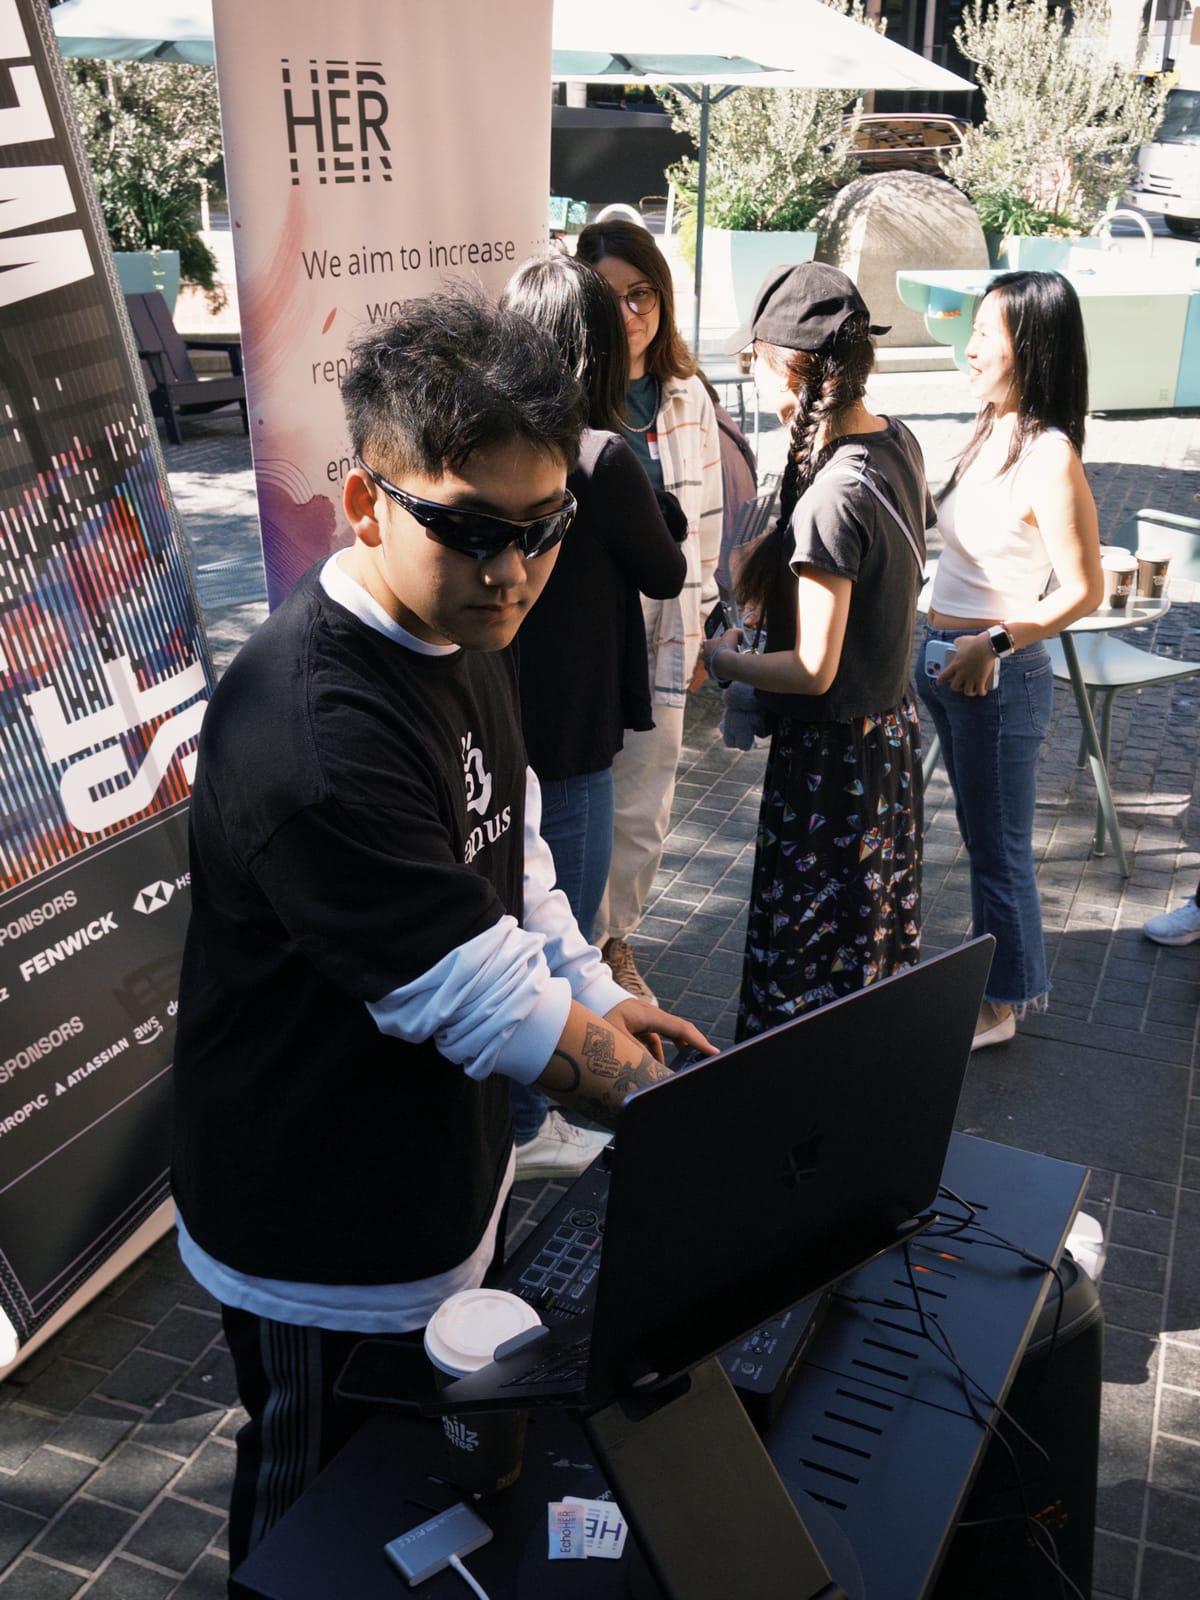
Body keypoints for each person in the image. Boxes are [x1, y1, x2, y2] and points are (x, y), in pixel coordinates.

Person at [170, 288, 711, 1574]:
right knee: (310, 1532)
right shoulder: (314, 733)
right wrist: (695, 1127)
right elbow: (478, 999)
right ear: (366, 502)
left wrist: (597, 987)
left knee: (425, 1508)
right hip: (319, 1232)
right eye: (470, 530)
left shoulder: (463, 622)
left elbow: (511, 851)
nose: (512, 572)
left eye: (542, 529)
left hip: (442, 1186)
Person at [699, 263, 932, 1040]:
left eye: (754, 361)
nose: (751, 375)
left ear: (788, 368)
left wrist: (724, 662)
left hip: (834, 767)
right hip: (886, 742)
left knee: (808, 960)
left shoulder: (833, 495)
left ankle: (799, 1092)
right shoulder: (897, 441)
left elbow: (812, 669)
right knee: (862, 948)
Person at [498, 254, 687, 1178]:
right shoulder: (600, 455)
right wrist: (661, 507)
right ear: (599, 345)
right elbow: (666, 569)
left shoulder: (491, 442)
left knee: (509, 912)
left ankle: (517, 1112)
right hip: (572, 727)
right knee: (558, 925)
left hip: (501, 714)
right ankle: (530, 1122)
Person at [917, 270, 1103, 1049]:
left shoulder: (1051, 455)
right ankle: (993, 973)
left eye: (986, 335)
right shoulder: (990, 428)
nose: (969, 348)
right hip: (944, 665)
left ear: (1032, 348)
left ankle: (1003, 1003)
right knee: (980, 836)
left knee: (999, 850)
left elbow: (1085, 590)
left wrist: (994, 642)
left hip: (996, 676)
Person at [574, 219, 724, 1003]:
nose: (629, 313)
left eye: (643, 295)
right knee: (575, 798)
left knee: (642, 803)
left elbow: (709, 524)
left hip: (664, 627)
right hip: (581, 636)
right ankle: (571, 952)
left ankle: (613, 943)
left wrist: (702, 630)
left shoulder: (685, 394)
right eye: (610, 298)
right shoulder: (561, 397)